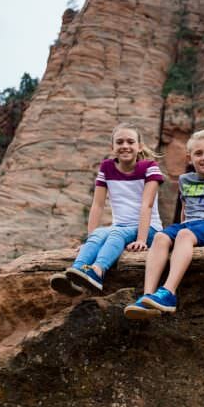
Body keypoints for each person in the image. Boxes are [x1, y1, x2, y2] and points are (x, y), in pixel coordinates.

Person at [124, 129, 204, 318]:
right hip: (191, 225)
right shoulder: (185, 180)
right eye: (198, 153)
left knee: (184, 235)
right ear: (189, 158)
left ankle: (168, 293)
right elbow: (184, 211)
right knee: (162, 236)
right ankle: (148, 296)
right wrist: (178, 234)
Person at [50, 123, 163, 296]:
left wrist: (141, 239)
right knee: (99, 234)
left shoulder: (150, 167)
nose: (125, 146)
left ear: (139, 147)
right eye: (120, 142)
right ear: (112, 147)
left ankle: (97, 272)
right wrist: (89, 241)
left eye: (130, 142)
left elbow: (146, 205)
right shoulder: (107, 167)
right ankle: (75, 275)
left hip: (149, 228)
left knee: (115, 235)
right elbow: (98, 205)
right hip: (120, 227)